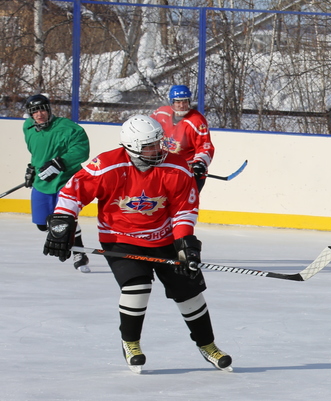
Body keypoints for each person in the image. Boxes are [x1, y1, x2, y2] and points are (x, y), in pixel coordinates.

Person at [42, 115, 233, 374]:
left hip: (164, 238)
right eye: (150, 146)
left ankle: (208, 345)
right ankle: (131, 343)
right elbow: (72, 192)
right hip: (120, 239)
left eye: (159, 143)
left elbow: (184, 210)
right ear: (131, 147)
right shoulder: (107, 165)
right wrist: (62, 224)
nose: (158, 150)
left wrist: (186, 242)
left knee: (189, 291)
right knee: (137, 286)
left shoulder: (176, 167)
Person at [22, 93, 92, 272]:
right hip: (42, 181)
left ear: (49, 109)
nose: (39, 114)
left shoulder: (68, 128)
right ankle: (64, 238)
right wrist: (32, 169)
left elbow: (82, 151)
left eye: (42, 109)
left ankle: (78, 252)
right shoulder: (28, 127)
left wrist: (60, 163)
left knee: (65, 219)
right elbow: (37, 153)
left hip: (65, 180)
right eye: (34, 111)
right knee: (42, 224)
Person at [152, 84, 215, 192]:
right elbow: (147, 131)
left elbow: (205, 146)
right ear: (172, 102)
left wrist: (200, 163)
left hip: (188, 172)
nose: (182, 105)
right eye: (178, 102)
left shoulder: (197, 121)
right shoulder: (161, 113)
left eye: (185, 101)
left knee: (184, 207)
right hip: (165, 170)